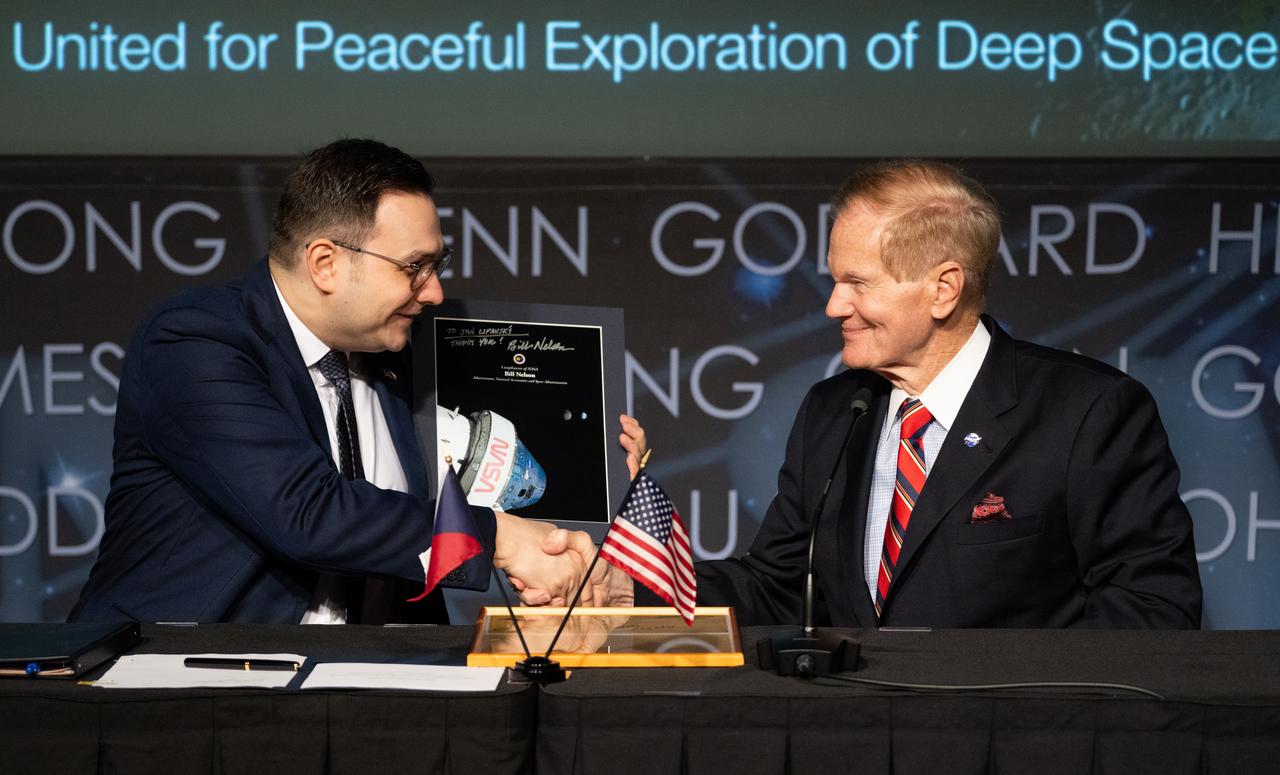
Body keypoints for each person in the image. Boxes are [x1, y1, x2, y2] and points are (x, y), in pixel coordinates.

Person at [562, 160, 1202, 629]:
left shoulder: (1087, 413)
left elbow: (1151, 610)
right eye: (835, 280)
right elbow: (778, 586)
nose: (834, 304)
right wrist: (628, 584)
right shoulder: (833, 410)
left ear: (943, 289)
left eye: (857, 283)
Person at [69, 139, 638, 625]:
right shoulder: (195, 343)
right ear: (325, 264)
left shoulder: (410, 356)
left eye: (438, 265)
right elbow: (307, 512)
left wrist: (605, 483)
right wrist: (504, 543)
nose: (435, 291)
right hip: (182, 690)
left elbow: (501, 469)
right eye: (414, 267)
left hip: (377, 685)